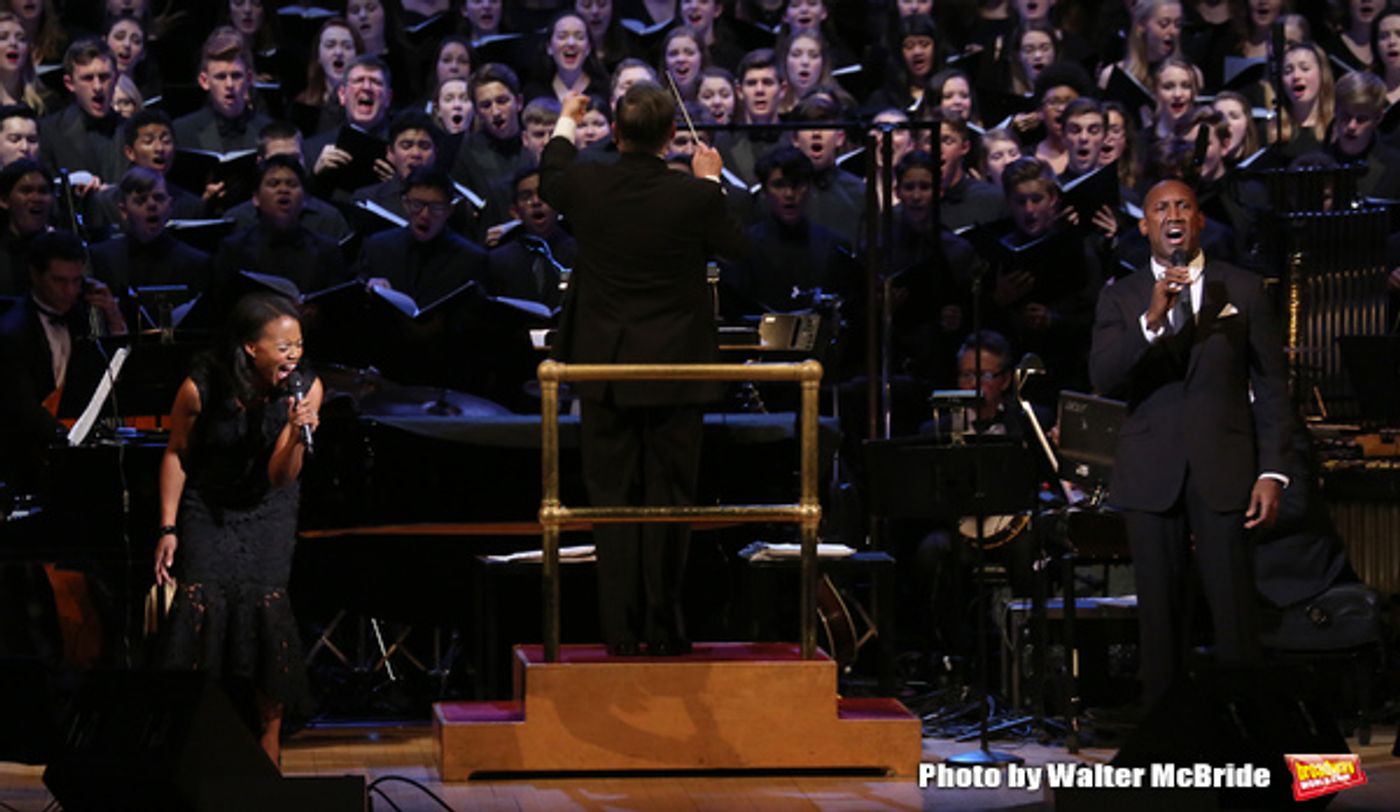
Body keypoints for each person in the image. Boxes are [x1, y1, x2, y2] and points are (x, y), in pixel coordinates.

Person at [539, 83, 747, 656]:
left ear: (613, 133)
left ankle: (620, 635)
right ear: (673, 138)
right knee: (670, 504)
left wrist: (565, 118)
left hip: (606, 371)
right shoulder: (695, 195)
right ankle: (665, 628)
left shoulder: (586, 182)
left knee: (612, 507)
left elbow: (552, 169)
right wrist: (710, 179)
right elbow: (737, 247)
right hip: (676, 372)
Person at [1088, 179, 1291, 707]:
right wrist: (1152, 321)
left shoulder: (1242, 289)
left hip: (1225, 471)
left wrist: (1273, 471)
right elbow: (1104, 377)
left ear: (1199, 221)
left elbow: (1271, 387)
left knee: (1233, 615)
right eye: (1161, 208)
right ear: (1144, 225)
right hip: (1150, 475)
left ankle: (1244, 746)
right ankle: (1165, 749)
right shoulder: (1122, 296)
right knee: (1160, 621)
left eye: (1183, 206)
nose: (1173, 215)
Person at [154, 291, 321, 768]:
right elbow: (177, 454)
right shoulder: (201, 386)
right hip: (208, 505)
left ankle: (268, 743)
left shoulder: (306, 389)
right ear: (252, 348)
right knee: (202, 607)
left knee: (265, 611)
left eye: (298, 345)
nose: (293, 355)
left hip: (269, 507)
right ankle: (194, 738)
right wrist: (168, 526)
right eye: (283, 346)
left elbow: (279, 477)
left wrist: (294, 432)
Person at [173, 27, 271, 155]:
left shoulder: (268, 132)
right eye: (220, 77)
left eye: (236, 76)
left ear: (249, 78)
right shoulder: (182, 131)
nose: (229, 85)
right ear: (204, 81)